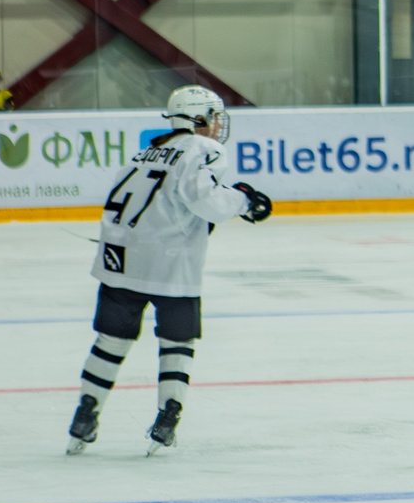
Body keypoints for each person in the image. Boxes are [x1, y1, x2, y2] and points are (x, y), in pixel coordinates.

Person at [67, 85, 273, 456]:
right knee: (177, 342)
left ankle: (86, 411)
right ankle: (167, 417)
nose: (215, 125)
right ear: (198, 118)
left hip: (119, 258)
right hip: (170, 263)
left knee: (111, 342)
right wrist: (244, 201)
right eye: (212, 116)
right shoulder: (202, 148)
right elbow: (203, 199)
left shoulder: (145, 152)